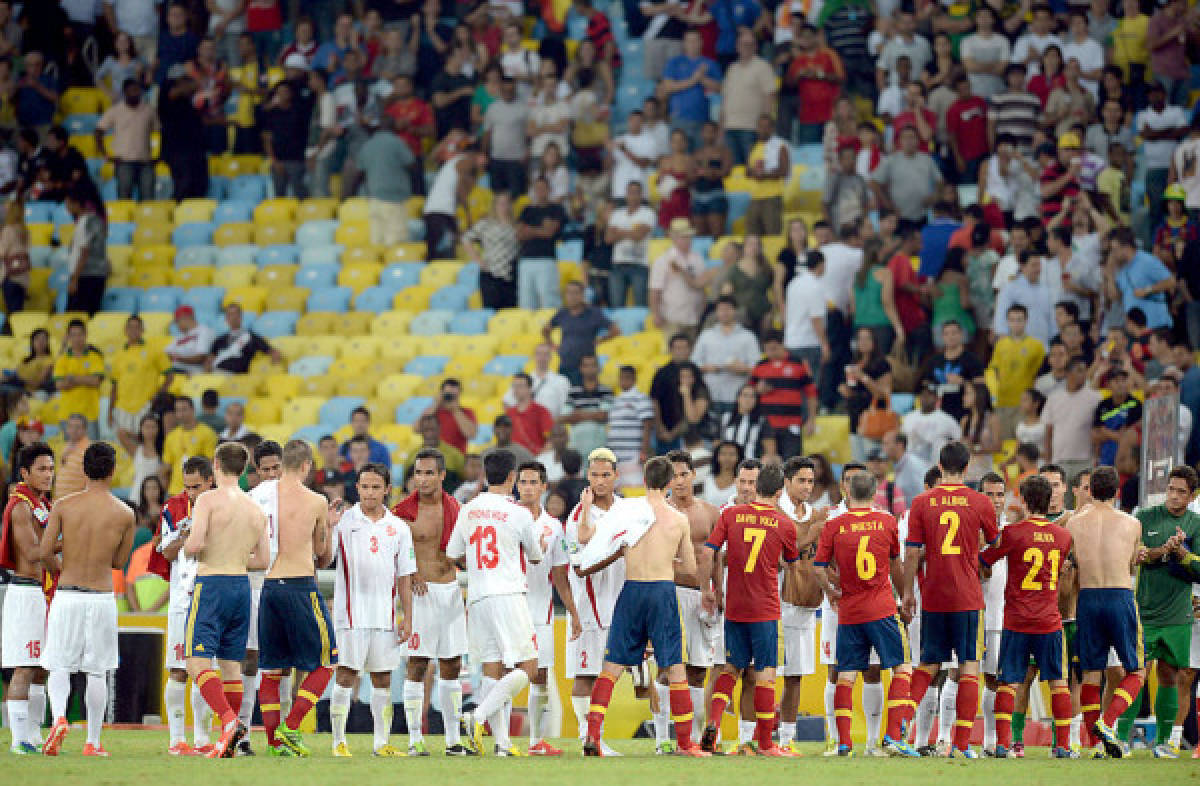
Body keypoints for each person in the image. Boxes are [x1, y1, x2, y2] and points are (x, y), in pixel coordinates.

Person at [579, 456, 708, 757]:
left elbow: (586, 538)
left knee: (611, 667)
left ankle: (593, 736)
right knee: (674, 668)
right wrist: (665, 560)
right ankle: (685, 743)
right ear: (669, 483)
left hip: (632, 589)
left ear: (644, 480)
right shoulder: (678, 519)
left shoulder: (625, 511)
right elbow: (690, 569)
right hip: (662, 591)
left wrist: (586, 509)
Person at [695, 462, 804, 758]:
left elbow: (708, 552)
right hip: (765, 608)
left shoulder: (730, 515)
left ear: (756, 488)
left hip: (735, 606)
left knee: (730, 669)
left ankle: (714, 724)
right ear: (780, 492)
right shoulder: (784, 524)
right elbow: (793, 565)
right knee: (765, 674)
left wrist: (708, 589)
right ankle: (767, 744)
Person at [902, 441, 999, 758]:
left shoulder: (921, 502)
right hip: (968, 596)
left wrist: (906, 593)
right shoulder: (980, 502)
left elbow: (913, 551)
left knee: (928, 663)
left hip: (933, 595)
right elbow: (996, 543)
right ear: (968, 467)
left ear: (939, 467)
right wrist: (980, 560)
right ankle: (960, 744)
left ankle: (900, 727)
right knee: (969, 666)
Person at [814, 470, 920, 758]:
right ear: (874, 494)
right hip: (882, 607)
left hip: (849, 610)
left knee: (846, 675)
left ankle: (845, 743)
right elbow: (896, 566)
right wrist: (905, 598)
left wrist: (832, 591)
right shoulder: (887, 522)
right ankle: (891, 737)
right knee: (902, 669)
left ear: (848, 493)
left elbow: (819, 568)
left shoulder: (834, 524)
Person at [39, 443, 135, 758]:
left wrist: (64, 566)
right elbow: (119, 562)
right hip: (101, 596)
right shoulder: (124, 513)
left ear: (84, 469)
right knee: (97, 670)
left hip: (67, 593)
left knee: (59, 665)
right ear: (112, 470)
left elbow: (44, 552)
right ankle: (93, 741)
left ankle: (59, 719)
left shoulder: (64, 506)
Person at [448, 450, 544, 756]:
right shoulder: (518, 512)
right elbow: (535, 555)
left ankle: (502, 744)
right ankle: (476, 716)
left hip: (477, 596)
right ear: (513, 477)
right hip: (507, 593)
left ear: (485, 475)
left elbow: (453, 553)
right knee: (529, 666)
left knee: (493, 669)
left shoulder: (469, 509)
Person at [180, 443, 270, 758]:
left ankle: (229, 721)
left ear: (216, 464)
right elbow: (262, 560)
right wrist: (236, 553)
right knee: (232, 665)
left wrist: (192, 535)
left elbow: (193, 546)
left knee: (196, 661)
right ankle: (227, 743)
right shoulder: (255, 508)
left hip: (212, 582)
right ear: (245, 468)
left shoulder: (207, 499)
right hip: (241, 585)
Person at [979, 474, 1075, 758]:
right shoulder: (1064, 536)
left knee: (1009, 680)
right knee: (1057, 681)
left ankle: (1002, 743)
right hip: (1048, 619)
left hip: (1017, 619)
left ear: (1022, 499)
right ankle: (1063, 745)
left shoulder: (1013, 533)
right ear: (1050, 501)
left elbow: (985, 560)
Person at [254, 440, 337, 757]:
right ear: (305, 466)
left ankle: (274, 743)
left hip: (269, 586)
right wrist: (329, 524)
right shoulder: (316, 501)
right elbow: (322, 554)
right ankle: (291, 727)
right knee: (326, 662)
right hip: (300, 585)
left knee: (273, 670)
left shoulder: (260, 497)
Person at [328, 463, 416, 758]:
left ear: (387, 489)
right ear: (357, 488)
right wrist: (327, 526)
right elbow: (325, 558)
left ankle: (381, 743)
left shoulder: (399, 528)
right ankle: (338, 741)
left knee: (383, 678)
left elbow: (405, 576)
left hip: (385, 616)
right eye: (364, 487)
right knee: (346, 675)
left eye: (375, 487)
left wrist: (408, 617)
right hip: (350, 615)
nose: (369, 493)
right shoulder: (343, 522)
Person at [391, 448, 471, 756]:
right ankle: (414, 740)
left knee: (452, 666)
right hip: (420, 597)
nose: (422, 479)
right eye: (418, 473)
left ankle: (453, 741)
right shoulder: (401, 514)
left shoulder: (458, 510)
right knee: (417, 665)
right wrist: (409, 576)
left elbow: (464, 553)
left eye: (428, 473)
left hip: (450, 591)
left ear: (441, 475)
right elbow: (391, 555)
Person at [1067, 466, 1149, 759]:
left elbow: (1073, 563)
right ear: (1116, 491)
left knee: (1091, 673)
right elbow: (1129, 567)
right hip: (1119, 595)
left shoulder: (1074, 523)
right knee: (1137, 670)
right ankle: (1108, 722)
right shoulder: (1131, 523)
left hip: (1088, 598)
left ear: (1089, 490)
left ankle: (1097, 745)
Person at [561, 449, 628, 754]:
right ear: (587, 476)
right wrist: (619, 552)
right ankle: (586, 737)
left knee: (632, 674)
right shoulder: (578, 516)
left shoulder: (627, 510)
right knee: (586, 673)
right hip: (589, 606)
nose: (600, 481)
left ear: (616, 476)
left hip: (623, 604)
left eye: (605, 475)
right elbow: (578, 566)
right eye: (594, 475)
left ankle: (662, 738)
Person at [1132, 466, 1200, 757]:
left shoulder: (1196, 523)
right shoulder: (1145, 517)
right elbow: (1137, 556)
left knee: (1172, 675)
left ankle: (1166, 742)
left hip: (1177, 614)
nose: (1173, 496)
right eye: (1171, 489)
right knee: (1134, 672)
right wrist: (1164, 549)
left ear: (1192, 495)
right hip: (1144, 610)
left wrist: (1184, 556)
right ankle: (1121, 739)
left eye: (1181, 491)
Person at [514, 461, 580, 756]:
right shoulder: (506, 518)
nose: (527, 487)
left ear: (543, 487)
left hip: (541, 612)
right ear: (516, 485)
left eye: (533, 482)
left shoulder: (554, 528)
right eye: (523, 481)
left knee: (539, 675)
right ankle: (498, 738)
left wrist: (575, 613)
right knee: (503, 671)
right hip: (509, 607)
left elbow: (561, 577)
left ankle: (535, 742)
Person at [156, 456, 215, 756]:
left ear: (210, 481)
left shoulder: (223, 505)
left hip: (213, 598)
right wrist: (183, 534)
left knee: (205, 671)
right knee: (179, 669)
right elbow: (165, 553)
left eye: (197, 487)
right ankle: (176, 739)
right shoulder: (173, 507)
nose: (191, 493)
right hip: (182, 600)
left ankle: (202, 738)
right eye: (187, 486)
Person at [0, 442, 55, 755]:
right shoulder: (20, 506)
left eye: (51, 468)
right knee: (23, 667)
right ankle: (18, 739)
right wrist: (71, 542)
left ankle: (33, 735)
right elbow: (34, 553)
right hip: (24, 591)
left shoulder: (41, 504)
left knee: (40, 668)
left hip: (41, 592)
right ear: (25, 473)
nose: (49, 474)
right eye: (42, 469)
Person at [95, 78, 156, 201]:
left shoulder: (149, 110)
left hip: (145, 161)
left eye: (137, 90)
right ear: (125, 92)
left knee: (148, 198)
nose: (135, 93)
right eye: (131, 90)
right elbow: (98, 131)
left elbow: (158, 130)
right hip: (123, 162)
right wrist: (104, 153)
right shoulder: (115, 111)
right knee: (124, 197)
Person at [545, 281, 618, 385]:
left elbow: (615, 330)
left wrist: (601, 340)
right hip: (565, 364)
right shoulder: (563, 313)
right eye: (569, 293)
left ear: (582, 295)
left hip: (586, 367)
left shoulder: (593, 313)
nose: (572, 296)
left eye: (575, 293)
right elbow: (546, 329)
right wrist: (550, 343)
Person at [649, 218, 708, 341]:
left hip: (694, 316)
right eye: (684, 237)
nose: (688, 241)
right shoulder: (662, 261)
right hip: (672, 317)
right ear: (674, 239)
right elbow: (655, 290)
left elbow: (702, 286)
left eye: (689, 237)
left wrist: (703, 308)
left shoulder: (698, 259)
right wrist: (656, 314)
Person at [464, 192, 519, 309]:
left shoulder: (516, 226)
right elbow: (466, 239)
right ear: (495, 206)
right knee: (491, 310)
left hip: (510, 274)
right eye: (500, 204)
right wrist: (478, 260)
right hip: (491, 272)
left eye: (506, 203)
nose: (504, 207)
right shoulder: (486, 224)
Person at [53, 320, 105, 435]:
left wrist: (72, 378)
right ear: (68, 337)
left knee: (92, 451)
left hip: (89, 414)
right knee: (69, 452)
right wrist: (85, 379)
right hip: (67, 414)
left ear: (86, 334)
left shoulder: (95, 357)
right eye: (73, 335)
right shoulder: (62, 359)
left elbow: (96, 381)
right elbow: (59, 385)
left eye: (80, 334)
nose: (77, 338)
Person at [62, 186, 109, 316]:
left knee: (78, 315)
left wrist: (75, 279)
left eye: (68, 204)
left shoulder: (87, 222)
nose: (67, 208)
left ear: (76, 204)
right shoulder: (92, 221)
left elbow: (85, 252)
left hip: (87, 275)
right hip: (91, 274)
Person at [162, 397, 218, 495]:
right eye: (178, 410)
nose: (181, 413)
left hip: (197, 491)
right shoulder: (171, 436)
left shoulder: (207, 433)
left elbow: (211, 464)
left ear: (193, 410)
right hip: (174, 491)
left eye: (184, 409)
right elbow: (167, 466)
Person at [165, 306, 215, 375]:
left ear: (186, 318)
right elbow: (166, 353)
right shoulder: (180, 336)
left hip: (192, 372)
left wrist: (177, 358)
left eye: (177, 321)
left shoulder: (204, 331)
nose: (176, 325)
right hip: (176, 370)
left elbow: (200, 358)